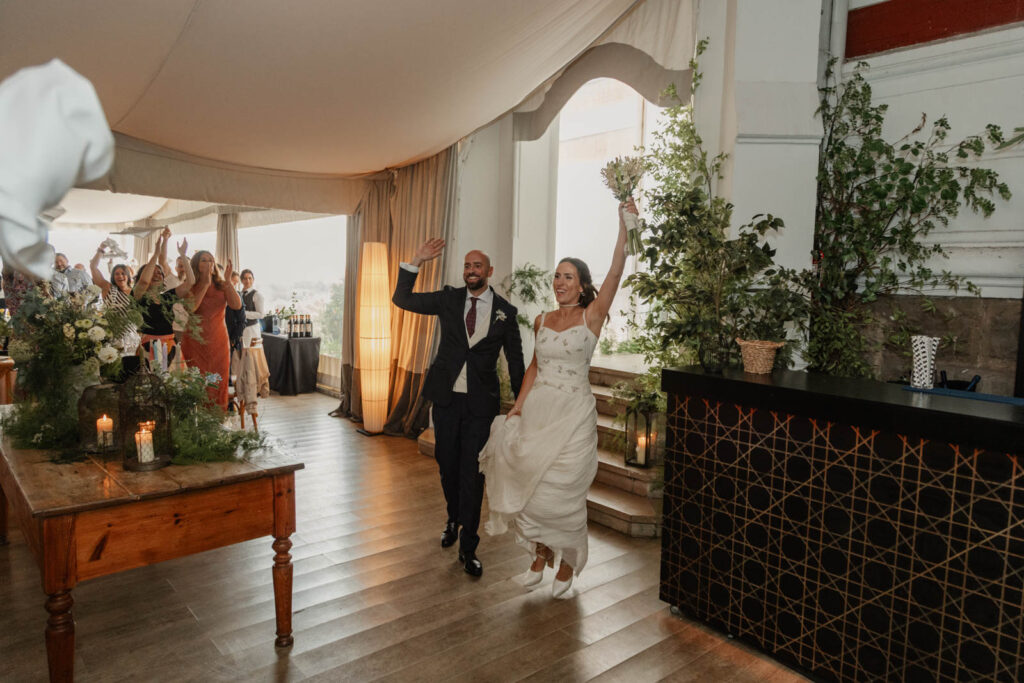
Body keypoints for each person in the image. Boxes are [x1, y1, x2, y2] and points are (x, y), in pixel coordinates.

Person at [479, 199, 635, 598]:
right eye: (557, 277)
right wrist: (517, 406)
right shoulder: (542, 320)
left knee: (564, 492)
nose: (560, 283)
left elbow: (617, 269)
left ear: (582, 284)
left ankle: (567, 560)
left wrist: (624, 222)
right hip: (539, 412)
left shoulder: (592, 315)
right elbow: (534, 366)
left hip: (574, 415)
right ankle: (540, 553)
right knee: (535, 487)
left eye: (568, 277)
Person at [392, 241, 525, 577]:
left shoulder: (506, 313)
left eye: (477, 265)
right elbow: (402, 299)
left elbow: (516, 362)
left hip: (481, 406)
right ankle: (453, 516)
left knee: (472, 472)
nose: (471, 271)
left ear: (489, 271)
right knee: (447, 464)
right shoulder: (449, 299)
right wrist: (417, 260)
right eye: (467, 266)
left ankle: (469, 544)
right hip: (447, 400)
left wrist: (523, 404)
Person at [182, 250, 241, 409]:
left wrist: (228, 281)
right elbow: (191, 307)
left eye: (211, 260)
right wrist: (205, 283)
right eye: (204, 260)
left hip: (218, 340)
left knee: (218, 381)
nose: (209, 263)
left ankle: (218, 419)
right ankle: (199, 421)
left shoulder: (222, 285)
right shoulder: (190, 285)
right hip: (195, 341)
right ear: (196, 265)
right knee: (199, 381)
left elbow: (236, 305)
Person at [133, 228, 193, 367]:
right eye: (152, 272)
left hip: (170, 346)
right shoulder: (139, 295)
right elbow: (143, 282)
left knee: (174, 384)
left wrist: (183, 255)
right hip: (149, 347)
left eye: (160, 273)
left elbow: (190, 283)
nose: (157, 274)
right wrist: (155, 255)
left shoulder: (167, 296)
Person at [90, 241, 141, 361]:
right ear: (113, 277)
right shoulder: (108, 288)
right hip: (112, 335)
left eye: (123, 273)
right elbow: (93, 267)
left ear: (128, 276)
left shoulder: (135, 292)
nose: (120, 276)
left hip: (131, 337)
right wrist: (101, 249)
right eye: (117, 274)